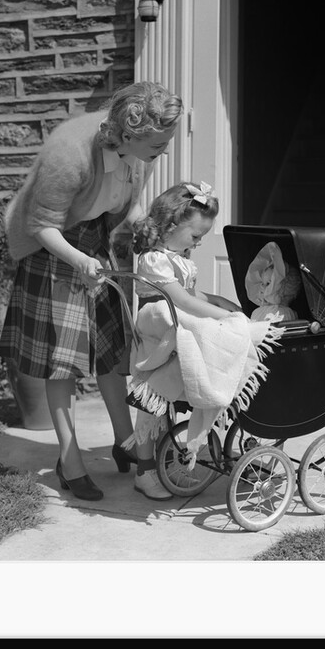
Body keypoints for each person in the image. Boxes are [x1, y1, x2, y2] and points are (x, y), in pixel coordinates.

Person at [0, 81, 184, 501]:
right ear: (129, 133)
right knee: (61, 362)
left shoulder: (140, 153)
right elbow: (40, 224)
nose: (164, 152)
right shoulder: (69, 151)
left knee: (111, 349)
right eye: (157, 145)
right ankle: (69, 460)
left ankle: (125, 442)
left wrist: (143, 226)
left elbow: (127, 203)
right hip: (52, 247)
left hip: (94, 241)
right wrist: (79, 260)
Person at [126, 181, 250, 487]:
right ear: (171, 225)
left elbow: (190, 295)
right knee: (151, 407)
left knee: (164, 400)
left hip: (174, 328)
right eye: (196, 235)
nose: (198, 243)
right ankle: (144, 471)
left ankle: (180, 443)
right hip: (157, 333)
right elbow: (180, 300)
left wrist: (219, 302)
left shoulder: (178, 258)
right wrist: (224, 316)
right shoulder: (154, 259)